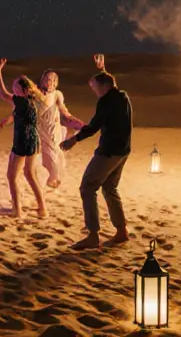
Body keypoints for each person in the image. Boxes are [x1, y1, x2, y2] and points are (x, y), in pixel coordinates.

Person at [61, 54, 132, 249]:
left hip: (108, 152)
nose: (94, 91)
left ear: (104, 87)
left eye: (95, 88)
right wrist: (102, 70)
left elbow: (93, 126)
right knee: (109, 188)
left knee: (87, 187)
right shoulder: (122, 96)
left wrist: (73, 139)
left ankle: (93, 235)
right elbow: (111, 83)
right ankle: (121, 231)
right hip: (123, 151)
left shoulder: (106, 101)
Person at [0, 59, 48, 219]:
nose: (13, 87)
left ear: (24, 89)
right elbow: (17, 115)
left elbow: (1, 93)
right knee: (30, 174)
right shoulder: (29, 101)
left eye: (16, 85)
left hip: (23, 140)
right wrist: (6, 121)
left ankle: (17, 210)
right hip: (32, 139)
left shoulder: (22, 100)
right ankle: (42, 208)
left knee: (12, 176)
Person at [36, 69, 86, 189]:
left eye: (54, 80)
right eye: (48, 79)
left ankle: (53, 179)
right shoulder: (36, 94)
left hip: (55, 130)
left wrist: (73, 119)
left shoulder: (57, 94)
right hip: (42, 130)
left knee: (58, 156)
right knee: (48, 158)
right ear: (42, 80)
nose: (51, 82)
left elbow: (64, 111)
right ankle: (49, 179)